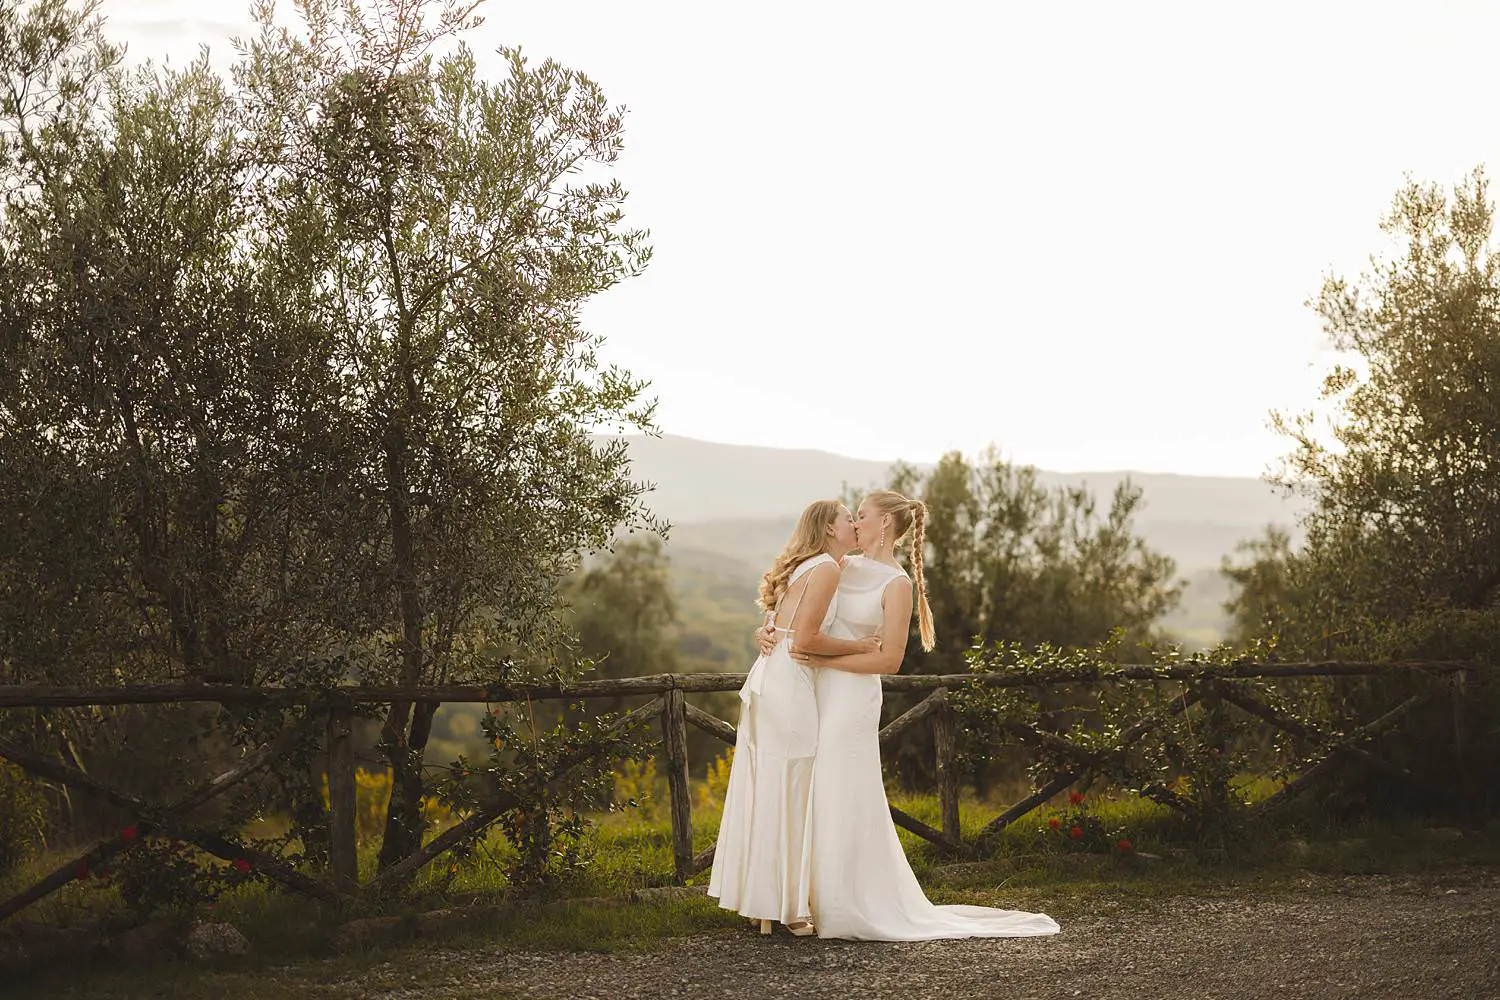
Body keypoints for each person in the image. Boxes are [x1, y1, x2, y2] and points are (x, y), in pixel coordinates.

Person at [757, 489, 1061, 941]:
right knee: (814, 792)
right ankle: (800, 896)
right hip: (816, 693)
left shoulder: (896, 584)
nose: (854, 523)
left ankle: (844, 901)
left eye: (861, 516)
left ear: (884, 524)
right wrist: (767, 633)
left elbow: (889, 660)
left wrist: (824, 662)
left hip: (853, 695)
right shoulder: (842, 565)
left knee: (841, 789)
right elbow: (800, 610)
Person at [707, 499, 877, 935]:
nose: (854, 525)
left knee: (775, 786)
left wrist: (765, 632)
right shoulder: (826, 569)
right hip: (791, 682)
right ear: (828, 529)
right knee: (793, 789)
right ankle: (788, 907)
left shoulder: (807, 566)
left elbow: (777, 624)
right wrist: (862, 647)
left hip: (774, 676)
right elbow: (807, 638)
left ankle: (767, 904)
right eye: (847, 520)